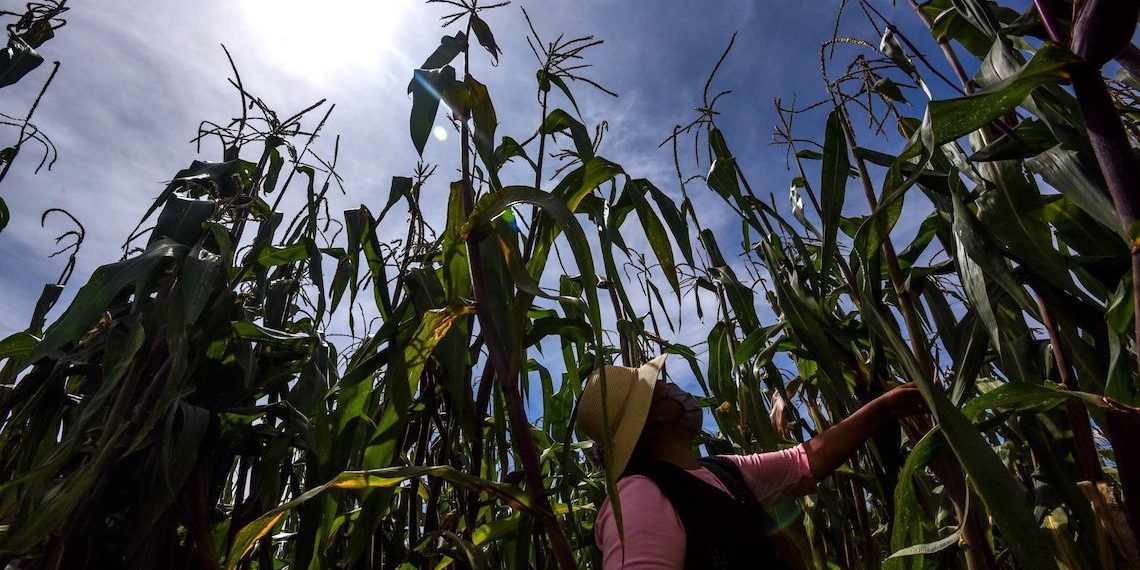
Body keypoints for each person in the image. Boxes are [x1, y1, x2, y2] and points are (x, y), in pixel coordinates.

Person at [577, 355, 927, 569]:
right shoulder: (638, 497)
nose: (673, 388)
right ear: (652, 416)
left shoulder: (720, 471)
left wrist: (883, 408)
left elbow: (803, 460)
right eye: (662, 387)